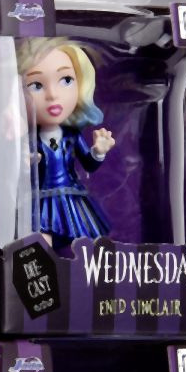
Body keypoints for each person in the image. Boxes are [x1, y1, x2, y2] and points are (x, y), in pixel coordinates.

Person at [17, 38, 113, 245]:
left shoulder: (72, 135)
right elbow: (18, 175)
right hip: (42, 201)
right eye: (36, 85)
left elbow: (89, 163)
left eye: (66, 80)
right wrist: (25, 164)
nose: (53, 95)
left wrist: (98, 151)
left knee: (85, 241)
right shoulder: (29, 140)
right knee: (40, 241)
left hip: (71, 199)